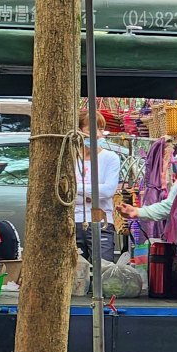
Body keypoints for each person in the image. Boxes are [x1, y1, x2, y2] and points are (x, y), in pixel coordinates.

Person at [75, 109, 121, 262]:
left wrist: (77, 188)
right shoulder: (70, 158)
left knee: (103, 270)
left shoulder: (110, 158)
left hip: (101, 221)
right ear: (79, 131)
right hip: (74, 220)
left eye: (101, 129)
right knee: (77, 275)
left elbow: (108, 190)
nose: (99, 134)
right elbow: (65, 193)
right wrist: (93, 190)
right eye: (92, 129)